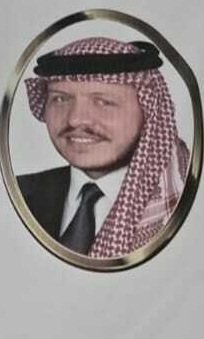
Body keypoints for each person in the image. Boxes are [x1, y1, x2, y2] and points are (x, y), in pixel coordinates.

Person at [15, 36, 190, 259]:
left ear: (148, 110)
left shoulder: (185, 204)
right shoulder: (18, 194)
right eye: (61, 99)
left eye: (104, 102)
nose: (76, 119)